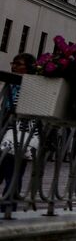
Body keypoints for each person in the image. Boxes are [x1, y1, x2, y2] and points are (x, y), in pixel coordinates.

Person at [1, 53, 38, 204]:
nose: (14, 66)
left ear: (28, 68)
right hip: (6, 127)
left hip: (19, 131)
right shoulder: (12, 83)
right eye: (13, 63)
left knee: (13, 169)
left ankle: (8, 205)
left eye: (18, 64)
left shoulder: (31, 86)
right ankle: (8, 202)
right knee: (9, 167)